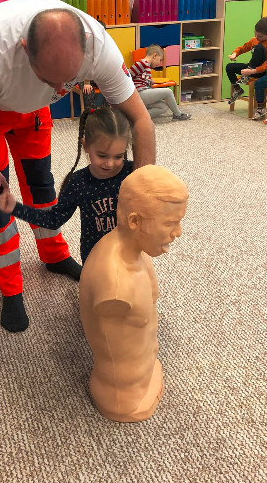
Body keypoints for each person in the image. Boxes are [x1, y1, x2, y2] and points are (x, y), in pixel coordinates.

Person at [0, 0, 155, 334]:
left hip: (33, 112)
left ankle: (53, 254)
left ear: (86, 48)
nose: (59, 88)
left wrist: (139, 192)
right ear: (25, 49)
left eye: (67, 80)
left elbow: (142, 121)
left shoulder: (101, 48)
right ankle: (11, 289)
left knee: (41, 185)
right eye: (49, 78)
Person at [79, 165, 189, 422]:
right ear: (134, 221)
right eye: (170, 223)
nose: (178, 232)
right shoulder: (115, 286)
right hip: (122, 394)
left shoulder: (139, 252)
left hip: (145, 374)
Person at [0, 107, 133, 264]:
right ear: (85, 145)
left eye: (118, 156)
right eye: (102, 155)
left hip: (129, 252)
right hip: (96, 258)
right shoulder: (78, 182)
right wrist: (16, 208)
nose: (110, 163)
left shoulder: (131, 172)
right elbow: (53, 219)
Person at [129, 44, 191, 120]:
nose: (159, 63)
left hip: (143, 94)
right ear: (154, 55)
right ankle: (178, 114)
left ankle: (138, 117)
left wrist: (149, 81)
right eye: (160, 60)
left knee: (164, 107)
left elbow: (140, 79)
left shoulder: (146, 66)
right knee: (168, 92)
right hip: (139, 94)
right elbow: (127, 75)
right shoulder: (142, 63)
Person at [227, 16, 267, 105]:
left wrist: (252, 71)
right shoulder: (254, 40)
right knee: (229, 67)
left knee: (259, 48)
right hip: (250, 69)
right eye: (255, 34)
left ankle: (247, 75)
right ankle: (238, 89)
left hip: (262, 72)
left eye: (260, 36)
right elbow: (243, 48)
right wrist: (234, 54)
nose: (257, 37)